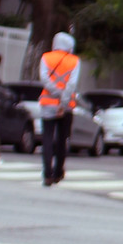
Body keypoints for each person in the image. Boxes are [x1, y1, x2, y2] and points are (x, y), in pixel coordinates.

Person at [39, 30, 81, 186]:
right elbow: (72, 84)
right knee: (62, 139)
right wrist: (63, 101)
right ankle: (58, 172)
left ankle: (47, 175)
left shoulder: (46, 57)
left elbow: (44, 79)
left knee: (47, 139)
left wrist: (55, 92)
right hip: (66, 106)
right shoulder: (74, 61)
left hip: (48, 104)